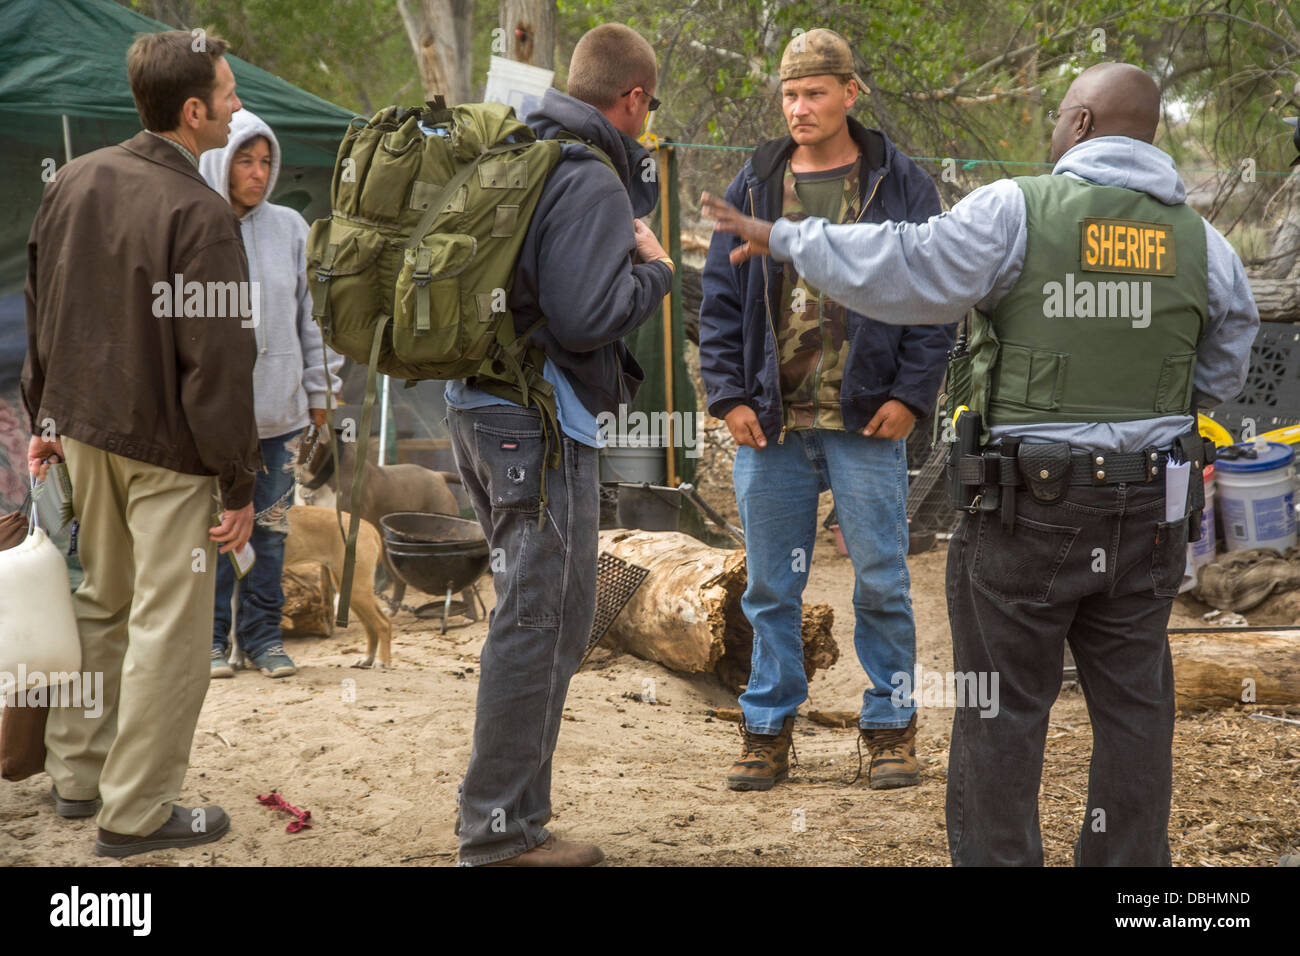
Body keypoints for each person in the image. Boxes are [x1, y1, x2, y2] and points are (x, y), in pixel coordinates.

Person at [704, 61, 1257, 865]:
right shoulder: (1204, 243)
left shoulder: (1017, 210)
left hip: (1031, 505)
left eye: (1060, 117)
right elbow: (1224, 370)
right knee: (1137, 705)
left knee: (1002, 705)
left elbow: (905, 267)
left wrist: (787, 236)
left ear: (1081, 125)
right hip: (1152, 509)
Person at [699, 28, 953, 793]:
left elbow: (937, 295)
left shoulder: (898, 182)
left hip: (868, 420)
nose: (800, 107)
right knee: (771, 585)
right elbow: (717, 302)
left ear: (849, 93)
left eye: (815, 92)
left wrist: (913, 395)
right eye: (789, 94)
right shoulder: (755, 181)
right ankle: (769, 729)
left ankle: (888, 727)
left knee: (881, 578)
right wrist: (730, 395)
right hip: (772, 424)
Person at [24, 31, 260, 856]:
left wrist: (44, 419)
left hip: (83, 433)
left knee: (100, 603)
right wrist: (238, 481)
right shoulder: (201, 213)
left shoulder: (76, 180)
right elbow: (221, 361)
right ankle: (137, 814)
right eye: (227, 94)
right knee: (168, 627)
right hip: (167, 453)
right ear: (193, 112)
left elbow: (40, 301)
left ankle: (79, 779)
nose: (235, 106)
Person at [443, 23, 673, 866]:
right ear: (634, 100)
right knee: (538, 621)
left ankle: (521, 822)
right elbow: (582, 315)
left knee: (556, 616)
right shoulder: (591, 174)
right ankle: (496, 834)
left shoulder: (513, 149)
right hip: (535, 423)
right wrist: (654, 273)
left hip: (478, 409)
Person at [199, 108, 343, 679]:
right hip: (210, 422)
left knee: (272, 528)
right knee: (213, 534)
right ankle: (210, 640)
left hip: (281, 418)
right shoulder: (196, 223)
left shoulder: (290, 228)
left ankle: (262, 638)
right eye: (245, 160)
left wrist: (321, 391)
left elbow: (316, 318)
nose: (257, 173)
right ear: (220, 160)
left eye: (265, 162)